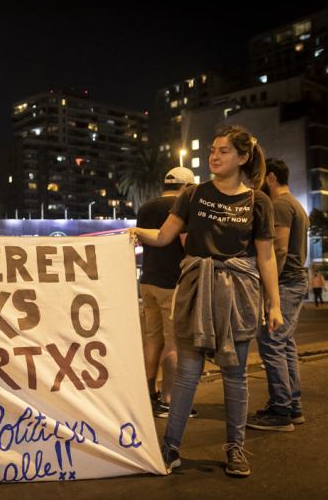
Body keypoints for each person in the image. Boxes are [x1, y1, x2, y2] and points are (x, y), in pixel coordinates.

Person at [128, 125, 282, 478]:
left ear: (243, 157)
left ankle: (235, 448)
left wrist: (273, 304)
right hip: (194, 290)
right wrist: (135, 233)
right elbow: (164, 235)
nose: (214, 156)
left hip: (238, 294)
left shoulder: (258, 201)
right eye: (213, 149)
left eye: (224, 151)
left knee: (235, 374)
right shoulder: (193, 193)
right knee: (187, 372)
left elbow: (266, 256)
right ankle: (171, 448)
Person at [246, 158, 309, 432]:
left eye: (262, 177)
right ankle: (293, 407)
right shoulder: (296, 204)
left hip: (285, 282)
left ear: (271, 177)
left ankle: (280, 411)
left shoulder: (280, 205)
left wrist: (269, 288)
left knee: (271, 342)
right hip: (295, 280)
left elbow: (279, 249)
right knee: (285, 344)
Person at [137, 167, 196, 418]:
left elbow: (142, 240)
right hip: (172, 283)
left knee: (153, 339)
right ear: (185, 187)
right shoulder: (182, 206)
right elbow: (186, 242)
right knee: (174, 343)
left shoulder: (145, 207)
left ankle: (148, 394)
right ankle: (168, 401)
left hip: (148, 280)